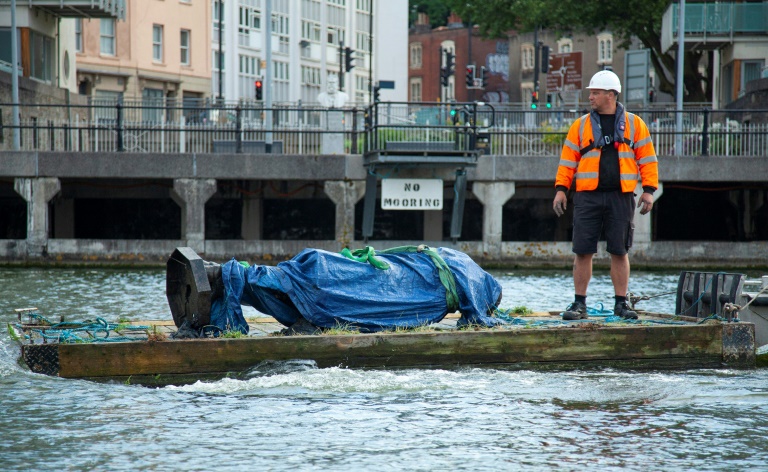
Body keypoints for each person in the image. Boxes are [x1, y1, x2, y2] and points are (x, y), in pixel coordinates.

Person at [552, 70, 659, 320]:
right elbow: (567, 162)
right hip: (588, 197)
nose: (590, 96)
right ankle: (579, 304)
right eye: (591, 92)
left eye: (596, 92)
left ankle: (621, 304)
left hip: (621, 196)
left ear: (611, 95)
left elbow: (648, 160)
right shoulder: (580, 126)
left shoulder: (635, 124)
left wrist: (649, 191)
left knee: (620, 251)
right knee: (582, 250)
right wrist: (560, 189)